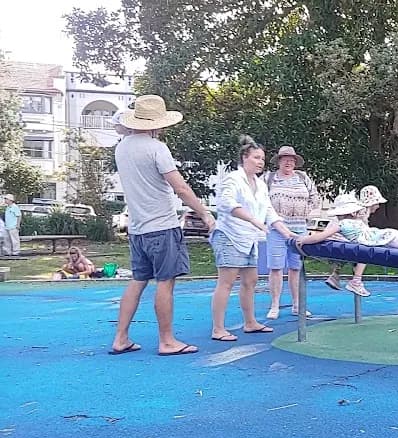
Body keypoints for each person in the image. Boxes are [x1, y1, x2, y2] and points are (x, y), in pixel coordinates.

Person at [109, 95, 215, 356]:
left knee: (137, 280)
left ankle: (120, 338)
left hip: (137, 228)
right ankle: (167, 341)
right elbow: (179, 187)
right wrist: (204, 214)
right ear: (157, 124)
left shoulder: (121, 148)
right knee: (165, 282)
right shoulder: (157, 148)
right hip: (162, 226)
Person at [209, 135, 295, 341]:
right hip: (229, 235)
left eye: (262, 159)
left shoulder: (261, 184)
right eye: (256, 157)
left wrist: (288, 233)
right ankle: (218, 329)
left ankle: (250, 322)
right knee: (227, 281)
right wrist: (253, 221)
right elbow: (226, 204)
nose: (260, 162)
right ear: (244, 158)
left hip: (249, 239)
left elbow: (269, 211)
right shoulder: (232, 179)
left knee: (251, 280)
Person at [262, 146, 321, 320]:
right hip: (276, 228)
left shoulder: (303, 178)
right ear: (279, 161)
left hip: (299, 228)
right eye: (285, 158)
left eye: (292, 159)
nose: (288, 162)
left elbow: (315, 197)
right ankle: (274, 305)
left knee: (296, 267)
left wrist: (304, 213)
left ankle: (297, 304)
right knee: (276, 267)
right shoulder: (268, 178)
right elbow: (261, 201)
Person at [325, 185, 388, 297]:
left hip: (332, 240)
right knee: (365, 248)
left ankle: (335, 275)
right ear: (371, 203)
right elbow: (362, 232)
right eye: (377, 203)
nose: (378, 206)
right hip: (339, 239)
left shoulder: (358, 210)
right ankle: (356, 280)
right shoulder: (362, 211)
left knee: (350, 250)